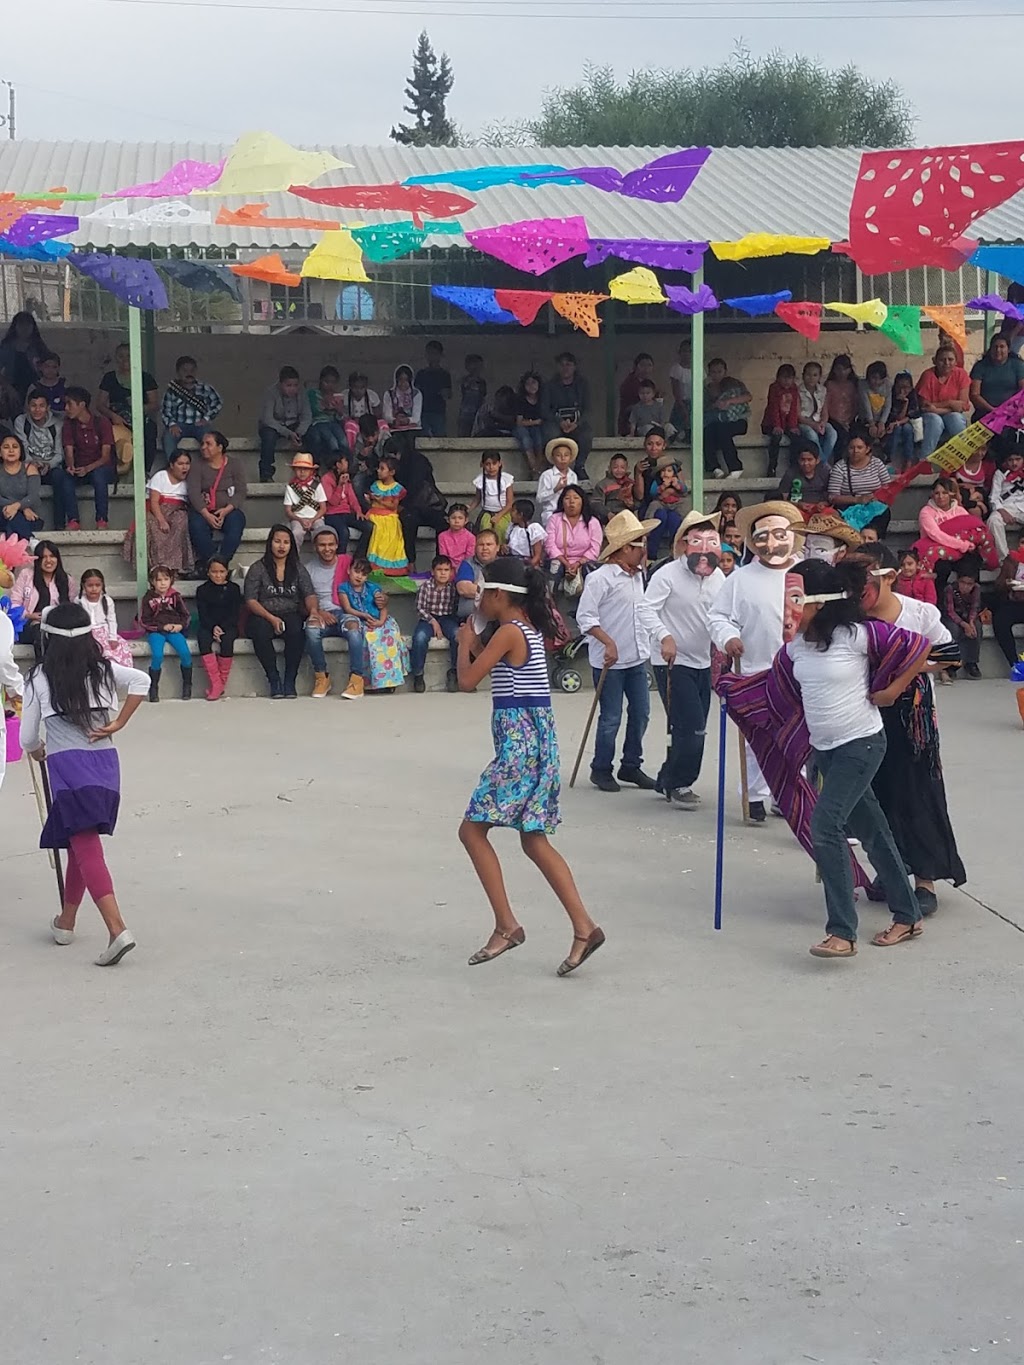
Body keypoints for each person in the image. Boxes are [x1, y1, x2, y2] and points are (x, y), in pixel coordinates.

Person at [729, 558, 928, 958]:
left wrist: (892, 691)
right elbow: (773, 691)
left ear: (820, 602)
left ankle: (842, 932)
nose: (787, 610)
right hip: (825, 751)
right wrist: (731, 689)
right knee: (872, 831)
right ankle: (908, 915)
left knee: (825, 826)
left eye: (796, 599)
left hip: (862, 744)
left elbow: (918, 646)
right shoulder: (794, 649)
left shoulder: (858, 635)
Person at [457, 556, 604, 975]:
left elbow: (467, 681)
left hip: (519, 747)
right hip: (537, 743)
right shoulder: (525, 630)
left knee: (471, 830)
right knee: (533, 840)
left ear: (500, 596)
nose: (479, 599)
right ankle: (583, 927)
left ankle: (506, 925)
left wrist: (464, 644)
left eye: (484, 592)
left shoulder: (507, 632)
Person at [20, 601, 149, 966]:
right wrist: (119, 722)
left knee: (86, 846)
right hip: (106, 763)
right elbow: (142, 680)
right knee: (82, 839)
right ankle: (66, 921)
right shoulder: (104, 669)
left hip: (67, 766)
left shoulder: (39, 678)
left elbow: (28, 736)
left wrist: (36, 749)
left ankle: (117, 928)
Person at [856, 542, 967, 915]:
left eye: (866, 575)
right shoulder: (851, 618)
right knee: (877, 795)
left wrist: (902, 672)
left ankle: (925, 879)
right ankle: (890, 870)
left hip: (911, 716)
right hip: (866, 713)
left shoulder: (919, 613)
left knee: (917, 792)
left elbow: (950, 656)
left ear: (888, 576)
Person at [708, 500, 807, 823]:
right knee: (757, 738)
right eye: (763, 536)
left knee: (799, 735)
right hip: (754, 668)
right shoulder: (739, 579)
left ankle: (791, 793)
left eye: (779, 534)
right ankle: (754, 794)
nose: (772, 543)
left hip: (802, 670)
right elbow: (719, 616)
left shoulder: (807, 575)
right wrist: (728, 638)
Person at [576, 509, 667, 793]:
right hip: (610, 660)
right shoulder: (601, 578)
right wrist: (608, 641)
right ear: (627, 548)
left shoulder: (638, 576)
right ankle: (601, 768)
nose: (645, 550)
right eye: (641, 544)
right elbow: (585, 618)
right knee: (611, 717)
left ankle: (631, 765)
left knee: (641, 712)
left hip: (636, 655)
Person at [644, 510, 727, 807]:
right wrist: (664, 636)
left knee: (693, 723)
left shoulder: (718, 577)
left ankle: (667, 776)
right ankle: (680, 782)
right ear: (683, 545)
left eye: (711, 543)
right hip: (672, 661)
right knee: (690, 725)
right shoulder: (666, 575)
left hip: (703, 660)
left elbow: (722, 615)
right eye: (697, 542)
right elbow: (645, 609)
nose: (704, 551)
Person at [244, 525, 317, 699]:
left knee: (296, 630)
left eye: (286, 542)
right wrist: (271, 618)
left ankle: (290, 680)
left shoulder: (298, 568)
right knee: (260, 632)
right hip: (263, 613)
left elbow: (309, 594)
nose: (281, 546)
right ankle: (274, 679)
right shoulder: (257, 568)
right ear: (270, 543)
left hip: (291, 612)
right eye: (277, 541)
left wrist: (313, 611)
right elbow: (250, 600)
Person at [337, 556, 408, 696]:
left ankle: (389, 681)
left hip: (378, 620)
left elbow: (382, 606)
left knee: (389, 636)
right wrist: (363, 616)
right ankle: (370, 682)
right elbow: (348, 609)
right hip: (360, 620)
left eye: (364, 574)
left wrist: (380, 622)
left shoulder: (373, 588)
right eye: (357, 572)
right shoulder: (343, 588)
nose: (359, 576)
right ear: (348, 570)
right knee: (370, 639)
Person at [303, 524, 354, 699]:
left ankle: (357, 678)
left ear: (337, 544)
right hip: (320, 613)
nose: (327, 549)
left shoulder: (347, 563)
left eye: (331, 544)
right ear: (315, 546)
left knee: (354, 630)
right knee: (311, 630)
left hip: (345, 612)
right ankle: (322, 677)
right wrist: (318, 612)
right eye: (322, 545)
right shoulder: (308, 569)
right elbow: (304, 597)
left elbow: (363, 586)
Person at [53, 387, 115, 531]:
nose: (66, 408)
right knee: (65, 477)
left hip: (101, 468)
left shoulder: (102, 422)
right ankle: (73, 520)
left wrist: (88, 468)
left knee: (99, 475)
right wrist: (71, 466)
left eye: (70, 404)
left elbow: (105, 456)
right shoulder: (68, 424)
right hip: (80, 469)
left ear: (82, 405)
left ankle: (101, 520)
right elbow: (68, 450)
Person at [186, 430, 247, 571]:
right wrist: (207, 514)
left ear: (220, 447)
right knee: (196, 526)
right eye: (202, 444)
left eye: (209, 444)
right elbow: (193, 493)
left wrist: (226, 510)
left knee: (237, 524)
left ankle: (220, 563)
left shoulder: (235, 464)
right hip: (203, 511)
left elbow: (241, 491)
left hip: (227, 510)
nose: (203, 447)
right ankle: (217, 565)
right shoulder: (196, 466)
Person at [95, 342, 159, 475]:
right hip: (117, 419)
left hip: (140, 418)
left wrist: (139, 407)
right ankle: (112, 470)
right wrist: (113, 416)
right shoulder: (109, 378)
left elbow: (155, 404)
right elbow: (100, 404)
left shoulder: (146, 378)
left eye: (129, 356)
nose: (125, 360)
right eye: (121, 356)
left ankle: (145, 471)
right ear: (116, 358)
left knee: (150, 430)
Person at [915, 477, 997, 578]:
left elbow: (970, 529)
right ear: (932, 495)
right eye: (937, 493)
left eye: (944, 493)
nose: (941, 497)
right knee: (942, 567)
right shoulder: (926, 512)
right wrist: (962, 545)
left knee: (971, 562)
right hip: (938, 550)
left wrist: (967, 546)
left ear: (951, 494)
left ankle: (971, 592)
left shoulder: (960, 510)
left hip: (959, 552)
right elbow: (936, 534)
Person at [11, 540, 76, 661]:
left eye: (52, 556)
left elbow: (71, 609)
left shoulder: (67, 580)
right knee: (40, 631)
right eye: (44, 557)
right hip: (29, 625)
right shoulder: (26, 575)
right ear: (37, 560)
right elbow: (14, 604)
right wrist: (29, 615)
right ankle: (42, 668)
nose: (48, 561)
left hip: (57, 626)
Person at [138, 448, 195, 574]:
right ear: (171, 465)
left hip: (178, 510)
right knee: (153, 527)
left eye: (187, 464)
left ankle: (175, 568)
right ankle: (158, 567)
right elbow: (154, 501)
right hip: (158, 510)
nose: (184, 467)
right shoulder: (161, 476)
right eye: (180, 464)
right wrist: (161, 520)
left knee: (180, 522)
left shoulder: (190, 480)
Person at [141, 565, 192, 702]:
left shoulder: (175, 597)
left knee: (185, 653)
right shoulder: (148, 599)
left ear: (171, 580)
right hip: (157, 631)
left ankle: (187, 684)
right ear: (152, 582)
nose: (162, 583)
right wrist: (161, 627)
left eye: (166, 579)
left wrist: (180, 626)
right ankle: (153, 687)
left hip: (174, 630)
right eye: (158, 580)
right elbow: (144, 620)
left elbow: (186, 615)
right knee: (157, 655)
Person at [827, 428, 892, 536]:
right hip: (849, 509)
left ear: (867, 449)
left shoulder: (877, 464)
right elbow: (832, 497)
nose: (855, 451)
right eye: (852, 448)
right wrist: (857, 500)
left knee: (884, 513)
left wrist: (877, 497)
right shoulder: (840, 467)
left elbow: (888, 488)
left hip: (874, 507)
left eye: (860, 447)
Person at [410, 554, 460, 693]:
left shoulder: (454, 588)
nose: (443, 573)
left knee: (458, 635)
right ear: (432, 571)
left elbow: (456, 608)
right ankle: (418, 673)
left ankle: (455, 672)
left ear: (451, 572)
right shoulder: (426, 587)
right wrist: (432, 621)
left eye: (446, 570)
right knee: (419, 638)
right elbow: (419, 608)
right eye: (439, 570)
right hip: (428, 618)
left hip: (447, 618)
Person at [395, 442, 448, 569]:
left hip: (425, 505)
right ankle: (410, 563)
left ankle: (440, 564)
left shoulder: (417, 462)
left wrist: (404, 504)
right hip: (412, 509)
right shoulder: (409, 462)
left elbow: (415, 486)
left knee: (443, 526)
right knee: (408, 522)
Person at [160, 355, 223, 464]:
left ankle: (212, 466)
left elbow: (218, 403)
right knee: (168, 437)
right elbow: (165, 411)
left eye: (192, 370)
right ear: (178, 372)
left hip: (199, 424)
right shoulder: (172, 390)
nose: (189, 373)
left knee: (211, 439)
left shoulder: (205, 388)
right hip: (179, 425)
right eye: (185, 370)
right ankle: (174, 466)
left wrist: (206, 418)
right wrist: (172, 424)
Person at [196, 557, 241, 701]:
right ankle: (216, 683)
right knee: (203, 639)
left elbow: (235, 613)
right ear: (208, 572)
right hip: (209, 625)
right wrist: (213, 627)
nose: (218, 575)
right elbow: (203, 613)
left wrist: (222, 627)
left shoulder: (234, 589)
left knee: (228, 641)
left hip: (228, 625)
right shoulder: (202, 590)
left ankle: (220, 683)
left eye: (221, 571)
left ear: (227, 572)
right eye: (214, 572)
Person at [542, 353, 592, 478]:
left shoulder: (582, 384)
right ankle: (552, 466)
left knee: (586, 434)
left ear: (574, 366)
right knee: (550, 434)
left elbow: (588, 409)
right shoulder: (549, 385)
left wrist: (576, 423)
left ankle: (580, 466)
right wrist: (559, 421)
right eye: (562, 365)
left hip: (576, 423)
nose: (565, 368)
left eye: (568, 364)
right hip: (556, 423)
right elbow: (544, 409)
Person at [545, 486, 602, 595]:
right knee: (555, 565)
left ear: (583, 501)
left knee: (591, 567)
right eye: (567, 498)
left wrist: (578, 564)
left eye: (576, 498)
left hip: (584, 563)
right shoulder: (554, 519)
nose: (571, 502)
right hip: (560, 561)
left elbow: (595, 548)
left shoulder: (592, 522)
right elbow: (549, 545)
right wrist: (566, 563)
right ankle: (552, 600)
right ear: (562, 502)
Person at [258, 366, 312, 481]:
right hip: (275, 426)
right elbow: (267, 419)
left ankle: (312, 470)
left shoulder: (302, 393)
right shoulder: (271, 393)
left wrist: (299, 433)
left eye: (295, 385)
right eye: (288, 385)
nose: (292, 389)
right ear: (280, 384)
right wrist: (288, 433)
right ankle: (266, 473)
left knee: (313, 434)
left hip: (294, 425)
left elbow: (307, 417)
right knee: (268, 436)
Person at [917, 344, 971, 458]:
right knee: (935, 421)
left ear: (956, 361)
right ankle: (925, 460)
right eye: (942, 359)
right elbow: (925, 406)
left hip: (949, 414)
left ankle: (962, 457)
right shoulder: (927, 375)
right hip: (930, 416)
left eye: (950, 359)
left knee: (955, 418)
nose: (947, 363)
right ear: (935, 361)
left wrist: (937, 408)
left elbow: (962, 405)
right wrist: (951, 403)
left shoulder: (961, 374)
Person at [703, 357, 751, 478]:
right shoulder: (707, 389)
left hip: (738, 420)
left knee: (723, 430)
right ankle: (714, 467)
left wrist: (729, 401)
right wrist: (716, 405)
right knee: (707, 431)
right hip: (718, 420)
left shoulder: (735, 383)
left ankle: (735, 467)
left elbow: (748, 397)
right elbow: (704, 407)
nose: (717, 375)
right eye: (713, 372)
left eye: (719, 371)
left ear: (725, 371)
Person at [970, 334, 1024, 438]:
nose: (998, 350)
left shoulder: (1017, 365)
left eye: (1002, 347)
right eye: (995, 347)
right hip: (986, 412)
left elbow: (1023, 391)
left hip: (1012, 412)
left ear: (1008, 349)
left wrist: (1011, 410)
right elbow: (974, 395)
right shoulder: (980, 366)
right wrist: (993, 410)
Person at [77, 567, 132, 667]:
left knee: (121, 647)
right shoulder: (79, 601)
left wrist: (113, 637)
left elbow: (112, 620)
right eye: (90, 585)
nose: (94, 589)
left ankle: (119, 673)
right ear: (83, 586)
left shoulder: (107, 600)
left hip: (104, 632)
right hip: (86, 632)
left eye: (97, 585)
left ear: (102, 585)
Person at [366, 452, 408, 577]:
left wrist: (378, 499)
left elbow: (393, 506)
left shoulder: (396, 488)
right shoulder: (376, 485)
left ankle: (388, 567)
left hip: (388, 516)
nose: (378, 471)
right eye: (379, 468)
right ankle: (374, 565)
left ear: (392, 472)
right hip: (374, 513)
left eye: (382, 469)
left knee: (387, 532)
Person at [321, 450, 369, 557]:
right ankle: (340, 561)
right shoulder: (326, 479)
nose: (347, 464)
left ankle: (358, 558)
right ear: (338, 464)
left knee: (370, 527)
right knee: (344, 533)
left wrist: (358, 511)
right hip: (332, 514)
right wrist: (339, 485)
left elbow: (352, 498)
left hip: (346, 513)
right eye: (345, 461)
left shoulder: (346, 478)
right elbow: (332, 501)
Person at [456, 528, 501, 631]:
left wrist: (478, 587)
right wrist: (495, 591)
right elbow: (463, 589)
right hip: (470, 619)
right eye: (481, 545)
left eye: (489, 544)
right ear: (475, 547)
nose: (485, 548)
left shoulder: (504, 566)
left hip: (496, 620)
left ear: (497, 547)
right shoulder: (467, 564)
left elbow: (508, 594)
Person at [643, 455, 688, 560]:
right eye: (663, 471)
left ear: (674, 472)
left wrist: (677, 486)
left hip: (675, 503)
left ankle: (685, 526)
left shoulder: (676, 480)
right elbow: (653, 492)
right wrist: (662, 487)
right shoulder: (657, 482)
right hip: (661, 503)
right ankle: (647, 523)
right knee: (653, 505)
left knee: (683, 507)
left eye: (669, 471)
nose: (665, 473)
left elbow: (684, 491)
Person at [15, 389, 64, 485]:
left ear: (48, 408)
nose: (37, 410)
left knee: (60, 477)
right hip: (28, 464)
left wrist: (48, 465)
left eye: (41, 406)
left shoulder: (57, 425)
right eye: (33, 406)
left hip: (51, 466)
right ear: (28, 407)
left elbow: (59, 453)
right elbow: (22, 448)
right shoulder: (21, 421)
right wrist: (32, 463)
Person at [760, 363, 801, 478]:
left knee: (796, 439)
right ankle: (772, 467)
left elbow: (793, 408)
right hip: (770, 423)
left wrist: (793, 426)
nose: (787, 381)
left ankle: (794, 467)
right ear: (778, 378)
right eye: (784, 377)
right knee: (776, 438)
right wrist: (777, 426)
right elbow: (774, 408)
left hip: (786, 423)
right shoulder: (774, 388)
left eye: (790, 378)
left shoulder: (794, 389)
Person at [0, 432, 43, 540]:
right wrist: (21, 508)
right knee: (10, 516)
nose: (11, 450)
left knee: (12, 522)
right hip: (3, 514)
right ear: (0, 452)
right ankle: (32, 541)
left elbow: (33, 496)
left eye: (15, 447)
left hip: (29, 516)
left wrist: (16, 507)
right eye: (6, 447)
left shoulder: (30, 468)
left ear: (21, 451)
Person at [943, 565, 982, 679]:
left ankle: (971, 662)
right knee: (953, 630)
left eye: (969, 584)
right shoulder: (950, 589)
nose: (965, 587)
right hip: (951, 616)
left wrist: (970, 622)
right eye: (963, 582)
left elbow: (975, 606)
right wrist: (964, 625)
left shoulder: (976, 589)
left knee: (977, 628)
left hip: (967, 616)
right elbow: (950, 611)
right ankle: (951, 663)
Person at [0, 311, 49, 402]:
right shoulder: (7, 346)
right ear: (15, 326)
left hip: (36, 388)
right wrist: (9, 389)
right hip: (13, 389)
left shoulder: (38, 346)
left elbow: (50, 365)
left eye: (28, 325)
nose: (24, 328)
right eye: (21, 324)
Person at [282, 451, 327, 547]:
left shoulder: (317, 485)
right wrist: (300, 520)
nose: (302, 472)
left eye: (306, 469)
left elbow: (323, 508)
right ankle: (294, 559)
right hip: (297, 518)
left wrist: (312, 520)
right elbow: (288, 511)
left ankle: (321, 558)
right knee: (295, 534)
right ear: (294, 470)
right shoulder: (290, 487)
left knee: (322, 533)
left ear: (311, 471)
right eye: (299, 469)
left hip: (316, 518)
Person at [305, 365, 348, 463]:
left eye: (333, 383)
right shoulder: (313, 393)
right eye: (326, 382)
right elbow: (311, 412)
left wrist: (339, 410)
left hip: (332, 423)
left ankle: (346, 466)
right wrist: (324, 405)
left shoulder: (336, 395)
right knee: (332, 441)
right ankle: (334, 466)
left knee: (343, 441)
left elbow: (340, 419)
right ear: (320, 381)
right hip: (318, 423)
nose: (329, 385)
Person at [987, 449, 1024, 562]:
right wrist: (1002, 511)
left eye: (1018, 459)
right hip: (1006, 506)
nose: (1014, 463)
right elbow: (993, 497)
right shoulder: (1000, 473)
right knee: (993, 521)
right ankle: (1005, 559)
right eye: (1010, 460)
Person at [470, 452, 514, 544]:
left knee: (501, 528)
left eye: (494, 464)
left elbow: (510, 503)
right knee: (485, 529)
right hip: (486, 513)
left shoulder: (506, 479)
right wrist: (468, 509)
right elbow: (477, 499)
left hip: (503, 513)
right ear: (482, 465)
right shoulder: (480, 480)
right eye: (487, 464)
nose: (491, 467)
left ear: (500, 463)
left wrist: (499, 516)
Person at [797, 360, 837, 463]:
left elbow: (824, 412)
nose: (811, 378)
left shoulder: (823, 390)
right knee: (812, 435)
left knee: (832, 433)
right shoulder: (798, 391)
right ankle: (823, 463)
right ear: (803, 375)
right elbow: (798, 415)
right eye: (808, 375)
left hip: (818, 420)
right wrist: (813, 425)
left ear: (819, 377)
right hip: (804, 422)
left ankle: (821, 461)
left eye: (815, 375)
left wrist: (823, 423)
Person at [536, 438, 579, 528]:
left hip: (569, 514)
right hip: (551, 513)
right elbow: (539, 498)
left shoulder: (573, 475)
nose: (563, 458)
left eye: (566, 455)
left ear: (570, 457)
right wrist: (556, 489)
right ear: (553, 457)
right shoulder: (547, 475)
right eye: (558, 455)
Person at [777, 440, 831, 509]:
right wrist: (798, 505)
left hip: (821, 509)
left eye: (809, 460)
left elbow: (831, 497)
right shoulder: (790, 473)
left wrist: (823, 504)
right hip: (797, 509)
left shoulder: (825, 472)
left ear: (817, 460)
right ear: (798, 460)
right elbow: (782, 500)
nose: (806, 463)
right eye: (802, 459)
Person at [992, 551, 1024, 666]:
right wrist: (1006, 584)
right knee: (1000, 621)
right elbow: (998, 585)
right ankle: (1014, 664)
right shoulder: (1011, 560)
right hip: (1014, 601)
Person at [884, 370, 920, 471]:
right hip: (891, 425)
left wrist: (906, 403)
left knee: (907, 428)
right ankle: (889, 459)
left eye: (906, 388)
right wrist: (897, 423)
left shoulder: (912, 396)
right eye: (899, 387)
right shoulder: (890, 395)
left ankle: (908, 460)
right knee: (899, 429)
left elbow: (911, 415)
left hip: (904, 424)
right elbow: (896, 417)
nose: (902, 391)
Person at [414, 341, 452, 438]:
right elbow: (415, 393)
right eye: (429, 353)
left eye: (434, 353)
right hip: (423, 411)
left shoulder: (444, 374)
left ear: (440, 355)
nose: (431, 356)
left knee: (440, 437)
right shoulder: (421, 374)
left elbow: (448, 394)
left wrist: (444, 393)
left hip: (438, 411)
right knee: (423, 437)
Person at [824, 355, 859, 460]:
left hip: (850, 419)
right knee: (841, 436)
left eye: (845, 369)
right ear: (834, 370)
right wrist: (839, 421)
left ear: (849, 370)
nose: (842, 372)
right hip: (833, 419)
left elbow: (855, 405)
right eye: (838, 369)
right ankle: (837, 464)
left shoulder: (853, 385)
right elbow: (826, 405)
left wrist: (849, 420)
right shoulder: (829, 385)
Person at [382, 365, 423, 452]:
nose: (403, 383)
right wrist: (394, 420)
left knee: (410, 444)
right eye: (400, 379)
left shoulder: (416, 394)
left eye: (406, 380)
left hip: (412, 429)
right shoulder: (389, 394)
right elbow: (386, 415)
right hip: (394, 428)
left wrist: (407, 420)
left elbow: (416, 417)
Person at [632, 425, 670, 511]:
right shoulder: (642, 466)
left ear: (664, 445)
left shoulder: (672, 464)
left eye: (658, 444)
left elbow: (682, 491)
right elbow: (639, 496)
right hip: (648, 506)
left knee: (674, 518)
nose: (654, 448)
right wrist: (638, 473)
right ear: (644, 445)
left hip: (670, 504)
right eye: (649, 444)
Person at [513, 371, 545, 472]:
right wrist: (534, 422)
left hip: (537, 428)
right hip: (523, 428)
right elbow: (519, 422)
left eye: (534, 383)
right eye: (528, 383)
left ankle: (539, 469)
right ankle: (533, 468)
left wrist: (534, 423)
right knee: (526, 439)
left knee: (539, 439)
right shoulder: (520, 400)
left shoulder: (543, 399)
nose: (531, 386)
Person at [617, 352, 656, 436]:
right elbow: (629, 408)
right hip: (631, 425)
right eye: (642, 365)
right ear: (635, 367)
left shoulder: (649, 383)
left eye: (649, 365)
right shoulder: (629, 383)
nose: (646, 368)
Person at [857, 360, 892, 445]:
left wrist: (882, 423)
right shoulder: (863, 385)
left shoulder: (888, 385)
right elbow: (866, 404)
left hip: (881, 419)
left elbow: (887, 405)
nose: (876, 381)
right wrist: (871, 423)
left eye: (879, 379)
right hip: (865, 419)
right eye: (873, 378)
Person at [596, 454, 636, 519]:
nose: (619, 470)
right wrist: (607, 513)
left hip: (627, 517)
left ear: (627, 468)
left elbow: (638, 503)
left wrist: (631, 505)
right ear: (609, 468)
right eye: (615, 467)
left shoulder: (630, 483)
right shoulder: (603, 484)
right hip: (609, 516)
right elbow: (596, 503)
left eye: (622, 467)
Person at [506, 499, 545, 566]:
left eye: (513, 511)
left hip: (527, 563)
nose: (510, 513)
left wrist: (530, 566)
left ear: (520, 514)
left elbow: (537, 555)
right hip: (512, 561)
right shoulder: (512, 528)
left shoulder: (533, 529)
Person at [438, 503, 476, 571]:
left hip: (465, 568)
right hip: (447, 568)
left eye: (460, 518)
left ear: (466, 520)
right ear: (448, 520)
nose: (457, 521)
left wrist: (459, 568)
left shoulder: (471, 537)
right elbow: (443, 556)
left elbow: (469, 558)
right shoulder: (442, 536)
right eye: (453, 518)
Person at [457, 353, 487, 437]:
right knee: (464, 433)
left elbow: (483, 394)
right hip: (465, 411)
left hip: (478, 410)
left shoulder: (482, 382)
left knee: (478, 433)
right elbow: (464, 388)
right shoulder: (465, 379)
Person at [668, 340, 692, 440]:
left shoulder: (699, 368)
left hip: (695, 404)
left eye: (690, 351)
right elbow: (676, 390)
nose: (687, 354)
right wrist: (683, 407)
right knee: (676, 430)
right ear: (680, 352)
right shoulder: (676, 369)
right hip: (681, 403)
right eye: (684, 351)